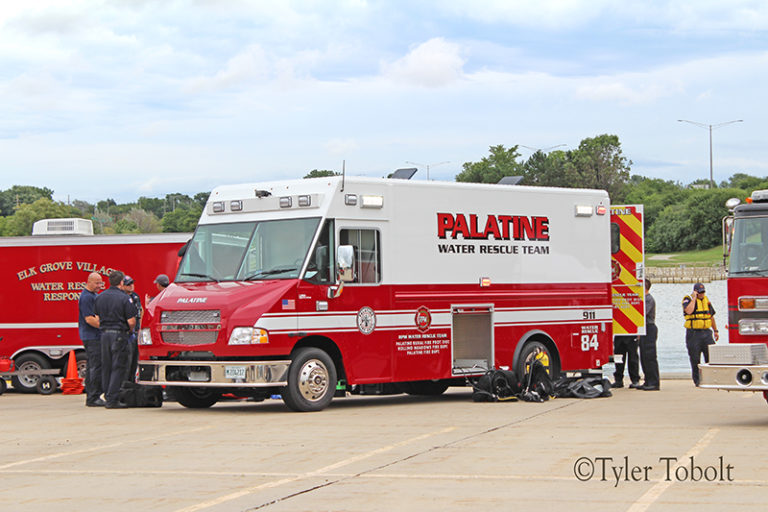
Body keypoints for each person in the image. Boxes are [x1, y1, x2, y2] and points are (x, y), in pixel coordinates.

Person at [94, 270, 137, 408]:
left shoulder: (100, 297)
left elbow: (97, 318)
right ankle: (113, 399)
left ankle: (107, 395)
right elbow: (131, 321)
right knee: (118, 367)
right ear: (121, 282)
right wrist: (129, 331)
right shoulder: (124, 298)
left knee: (106, 366)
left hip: (104, 335)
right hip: (118, 334)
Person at [683, 282, 719, 386]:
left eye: (703, 292)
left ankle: (711, 379)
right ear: (695, 292)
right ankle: (697, 380)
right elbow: (689, 311)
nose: (702, 294)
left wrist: (716, 331)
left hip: (706, 333)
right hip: (693, 334)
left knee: (711, 357)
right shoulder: (688, 300)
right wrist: (694, 298)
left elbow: (711, 317)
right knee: (695, 359)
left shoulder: (707, 302)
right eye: (700, 292)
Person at [78, 272, 105, 407]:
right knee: (95, 366)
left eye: (100, 283)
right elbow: (89, 319)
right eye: (96, 283)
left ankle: (94, 394)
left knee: (95, 366)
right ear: (89, 282)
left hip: (95, 336)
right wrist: (105, 327)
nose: (99, 286)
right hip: (92, 337)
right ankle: (93, 396)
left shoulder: (95, 296)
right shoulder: (86, 297)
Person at [120, 275, 142, 383]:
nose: (131, 286)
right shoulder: (122, 298)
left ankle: (132, 383)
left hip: (136, 333)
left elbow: (140, 313)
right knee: (126, 363)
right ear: (122, 285)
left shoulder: (135, 297)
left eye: (132, 283)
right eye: (128, 284)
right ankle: (125, 385)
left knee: (134, 361)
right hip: (127, 334)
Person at [638, 278, 660, 390]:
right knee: (644, 356)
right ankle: (647, 380)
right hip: (643, 329)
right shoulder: (643, 299)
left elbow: (642, 313)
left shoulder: (648, 299)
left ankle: (654, 382)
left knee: (650, 356)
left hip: (649, 328)